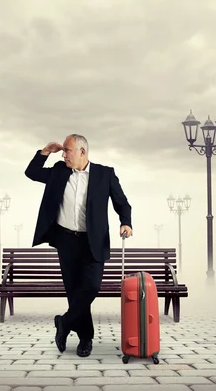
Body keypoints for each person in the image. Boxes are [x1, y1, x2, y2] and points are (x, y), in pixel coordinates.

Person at [24, 134, 133, 357]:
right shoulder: (58, 172)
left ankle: (64, 322)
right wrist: (45, 151)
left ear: (82, 151)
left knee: (91, 287)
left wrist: (126, 222)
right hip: (66, 240)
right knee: (75, 292)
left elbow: (122, 202)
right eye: (63, 151)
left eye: (67, 151)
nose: (63, 155)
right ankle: (86, 339)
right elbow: (31, 173)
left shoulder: (105, 174)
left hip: (93, 240)